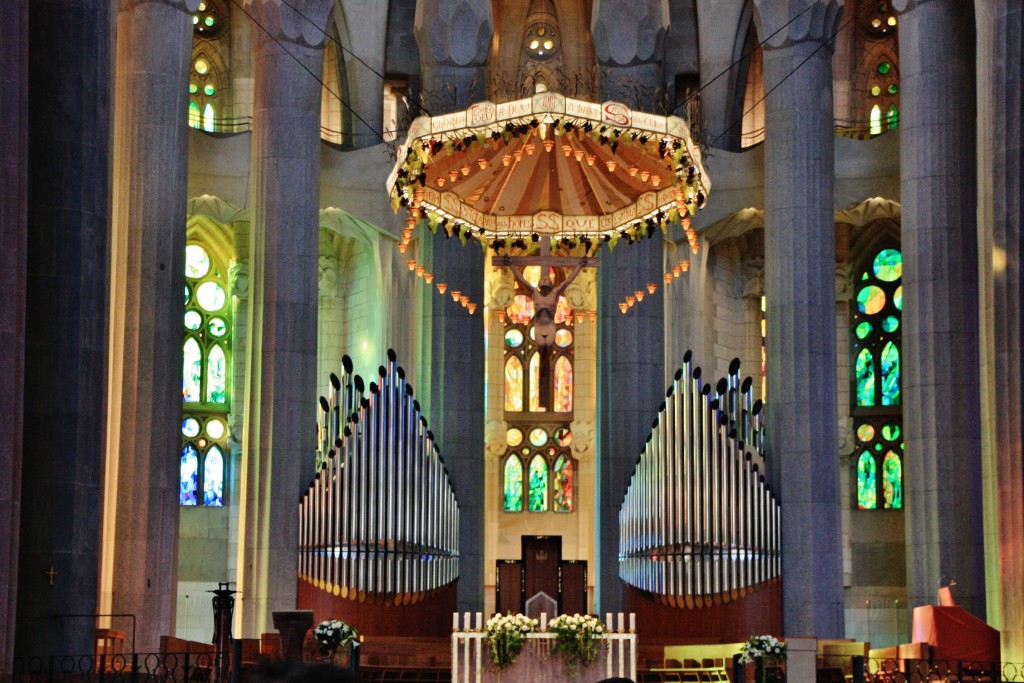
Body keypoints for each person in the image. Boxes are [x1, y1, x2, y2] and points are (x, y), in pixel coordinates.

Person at [505, 256, 587, 350]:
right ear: (538, 284)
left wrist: (579, 266)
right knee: (541, 352)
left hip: (550, 328)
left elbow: (567, 282)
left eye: (547, 279)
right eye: (542, 279)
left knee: (547, 353)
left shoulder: (555, 292)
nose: (544, 279)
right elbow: (522, 280)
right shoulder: (535, 292)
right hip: (539, 328)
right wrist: (511, 266)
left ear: (551, 284)